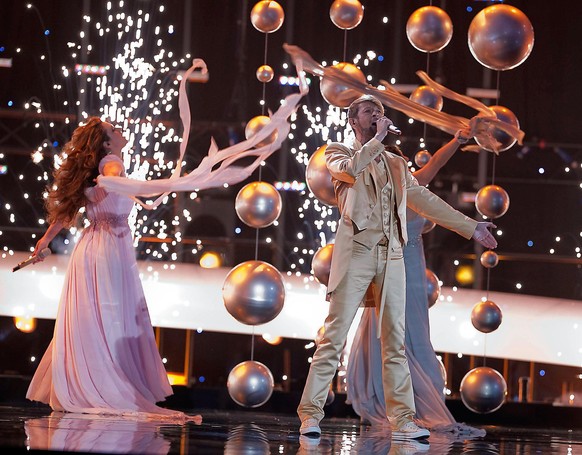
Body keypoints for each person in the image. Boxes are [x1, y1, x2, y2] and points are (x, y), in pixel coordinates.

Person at [297, 95, 497, 440]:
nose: (376, 115)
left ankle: (404, 419)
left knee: (394, 344)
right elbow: (350, 171)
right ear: (352, 120)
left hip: (392, 258)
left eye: (380, 111)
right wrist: (376, 141)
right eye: (368, 111)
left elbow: (423, 198)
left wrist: (469, 226)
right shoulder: (337, 152)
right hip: (357, 255)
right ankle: (310, 416)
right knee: (333, 338)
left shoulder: (394, 164)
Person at [26, 117, 200, 421]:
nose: (120, 131)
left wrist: (44, 241)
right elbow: (111, 173)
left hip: (98, 245)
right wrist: (115, 175)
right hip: (105, 247)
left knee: (98, 318)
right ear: (107, 143)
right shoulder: (111, 163)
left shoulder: (103, 167)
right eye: (113, 131)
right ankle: (102, 385)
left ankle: (94, 381)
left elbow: (65, 214)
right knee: (108, 317)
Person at [346, 132, 487, 436]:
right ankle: (397, 403)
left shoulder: (410, 186)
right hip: (393, 271)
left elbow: (436, 161)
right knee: (394, 335)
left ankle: (412, 401)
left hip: (408, 270)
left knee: (412, 333)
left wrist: (458, 140)